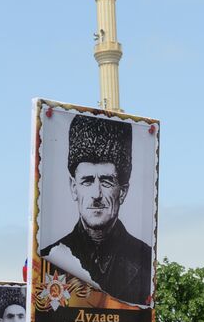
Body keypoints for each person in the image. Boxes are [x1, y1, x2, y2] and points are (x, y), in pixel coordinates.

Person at [39, 114, 152, 305]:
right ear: (74, 188)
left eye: (107, 181)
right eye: (87, 180)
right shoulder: (49, 259)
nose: (96, 194)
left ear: (123, 192)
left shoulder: (146, 259)